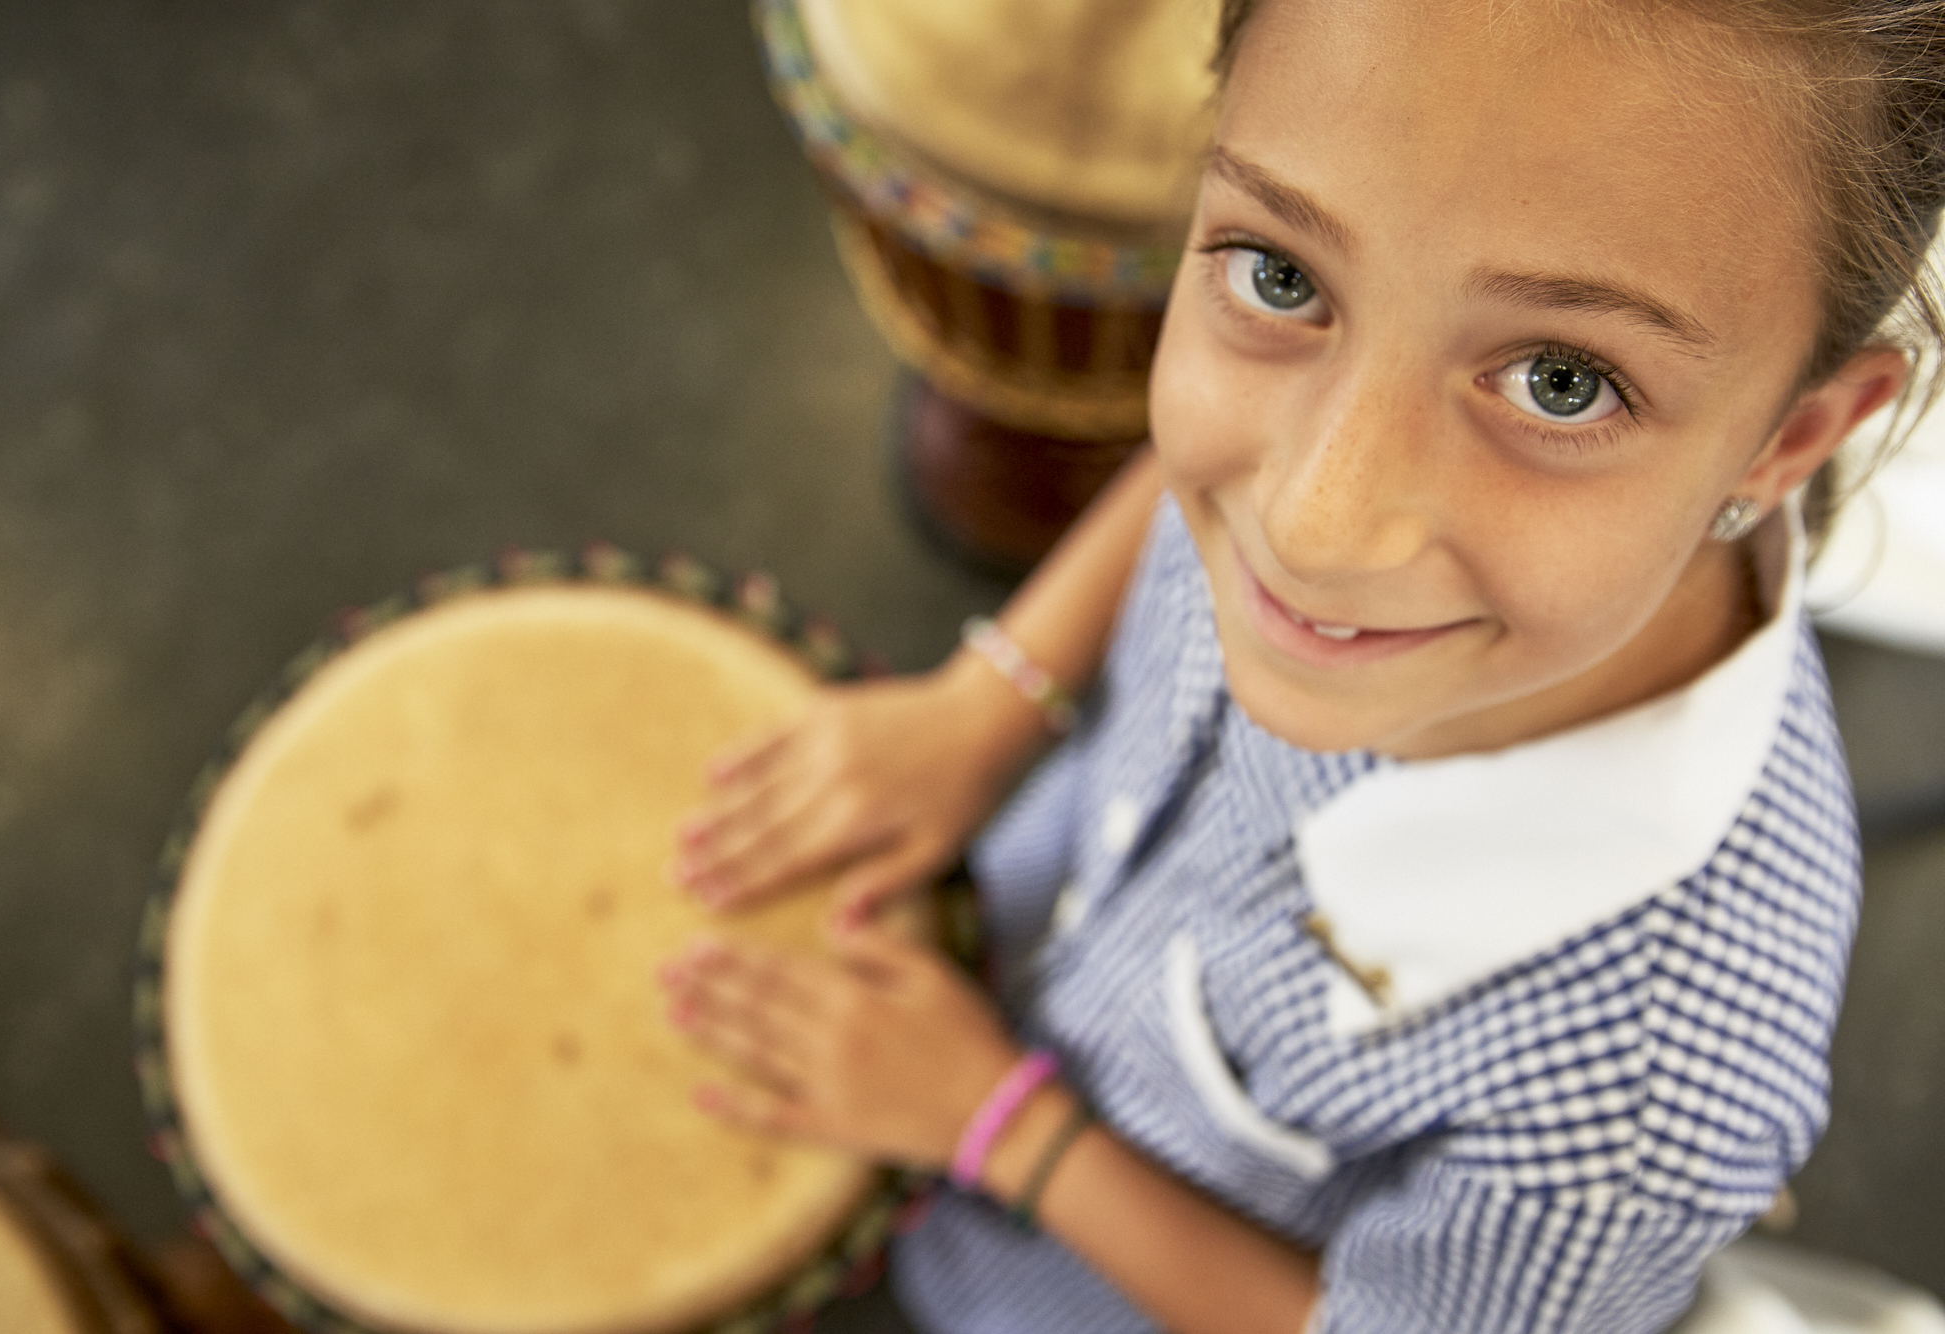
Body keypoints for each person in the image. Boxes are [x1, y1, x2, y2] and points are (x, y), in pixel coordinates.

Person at [658, 1, 1945, 1330]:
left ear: (1792, 436)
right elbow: (1185, 475)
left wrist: (994, 1119)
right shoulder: (1360, 552)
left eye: (1561, 380)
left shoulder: (1646, 1107)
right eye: (1284, 276)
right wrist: (992, 695)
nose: (1308, 523)